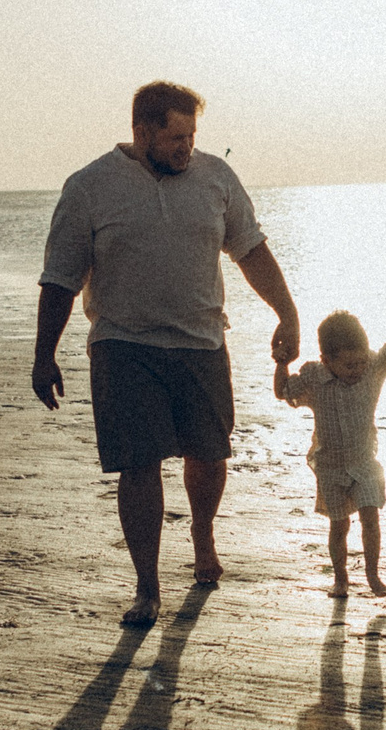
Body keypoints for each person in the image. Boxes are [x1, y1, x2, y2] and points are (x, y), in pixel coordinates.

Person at [34, 81, 302, 627]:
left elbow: (251, 250)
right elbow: (61, 278)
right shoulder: (89, 187)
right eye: (176, 136)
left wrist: (287, 313)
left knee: (209, 454)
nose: (187, 146)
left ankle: (203, 533)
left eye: (192, 135)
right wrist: (45, 354)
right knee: (139, 464)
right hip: (123, 343)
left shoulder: (215, 178)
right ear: (142, 132)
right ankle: (147, 586)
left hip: (201, 340)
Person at [273, 295, 386, 596]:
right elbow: (283, 392)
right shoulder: (314, 378)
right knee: (339, 526)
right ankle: (341, 579)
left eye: (360, 361)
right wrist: (282, 363)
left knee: (370, 517)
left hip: (365, 464)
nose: (357, 369)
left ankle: (373, 576)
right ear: (327, 360)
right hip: (330, 467)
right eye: (348, 365)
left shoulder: (372, 369)